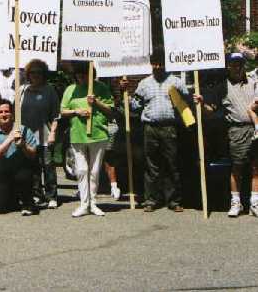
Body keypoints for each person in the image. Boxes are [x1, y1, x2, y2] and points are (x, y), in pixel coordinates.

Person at [120, 49, 188, 213]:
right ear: (151, 64)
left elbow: (186, 104)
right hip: (150, 128)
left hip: (170, 128)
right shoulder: (144, 84)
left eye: (161, 64)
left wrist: (194, 100)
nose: (158, 67)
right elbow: (135, 106)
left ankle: (174, 201)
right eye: (155, 63)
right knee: (152, 165)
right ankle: (151, 200)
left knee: (172, 164)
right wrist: (124, 92)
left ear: (166, 64)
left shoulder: (176, 82)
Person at [195, 53, 258, 217]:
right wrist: (202, 103)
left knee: (255, 167)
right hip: (237, 130)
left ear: (244, 66)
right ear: (228, 66)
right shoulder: (222, 86)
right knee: (237, 167)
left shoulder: (253, 82)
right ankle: (236, 202)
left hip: (255, 127)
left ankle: (254, 202)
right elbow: (211, 110)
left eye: (240, 64)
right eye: (234, 64)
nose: (237, 68)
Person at [61, 62, 114, 217]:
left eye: (84, 75)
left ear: (91, 75)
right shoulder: (70, 90)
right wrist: (76, 112)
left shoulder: (101, 88)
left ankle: (93, 203)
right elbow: (63, 111)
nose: (81, 78)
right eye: (79, 75)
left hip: (98, 134)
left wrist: (96, 102)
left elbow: (110, 110)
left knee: (95, 170)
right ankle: (84, 204)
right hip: (78, 135)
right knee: (82, 170)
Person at [17, 59, 60, 209]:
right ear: (28, 74)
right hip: (27, 136)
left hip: (45, 134)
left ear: (44, 74)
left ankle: (51, 196)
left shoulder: (50, 90)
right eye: (32, 72)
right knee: (33, 167)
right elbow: (16, 114)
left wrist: (53, 133)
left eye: (39, 72)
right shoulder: (22, 90)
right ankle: (36, 195)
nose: (35, 75)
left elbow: (56, 115)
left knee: (48, 166)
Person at [0, 99, 38, 215]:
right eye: (0, 112)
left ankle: (27, 202)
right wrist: (10, 139)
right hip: (2, 175)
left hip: (21, 174)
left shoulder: (24, 130)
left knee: (25, 175)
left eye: (7, 111)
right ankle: (12, 199)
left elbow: (33, 154)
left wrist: (23, 145)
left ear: (12, 114)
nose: (4, 114)